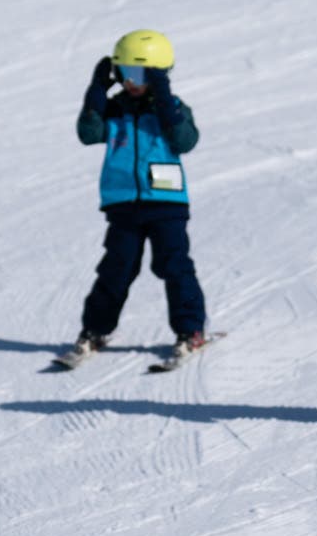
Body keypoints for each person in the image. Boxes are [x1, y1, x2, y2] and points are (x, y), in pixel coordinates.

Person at [59, 30, 208, 369]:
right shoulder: (115, 109)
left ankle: (190, 330)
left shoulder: (173, 109)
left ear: (160, 74)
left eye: (141, 75)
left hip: (166, 205)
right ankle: (95, 330)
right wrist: (97, 90)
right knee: (116, 268)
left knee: (174, 265)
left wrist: (164, 95)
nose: (132, 82)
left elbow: (185, 140)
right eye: (124, 73)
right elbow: (88, 133)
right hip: (123, 204)